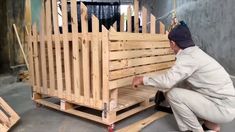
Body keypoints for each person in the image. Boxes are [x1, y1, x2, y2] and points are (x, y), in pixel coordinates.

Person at [132, 21, 235, 132]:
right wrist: (162, 90)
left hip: (222, 108)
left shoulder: (188, 58)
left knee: (173, 95)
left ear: (172, 43)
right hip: (224, 103)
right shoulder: (195, 52)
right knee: (182, 87)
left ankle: (193, 130)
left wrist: (142, 79)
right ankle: (212, 126)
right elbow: (180, 80)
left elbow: (167, 81)